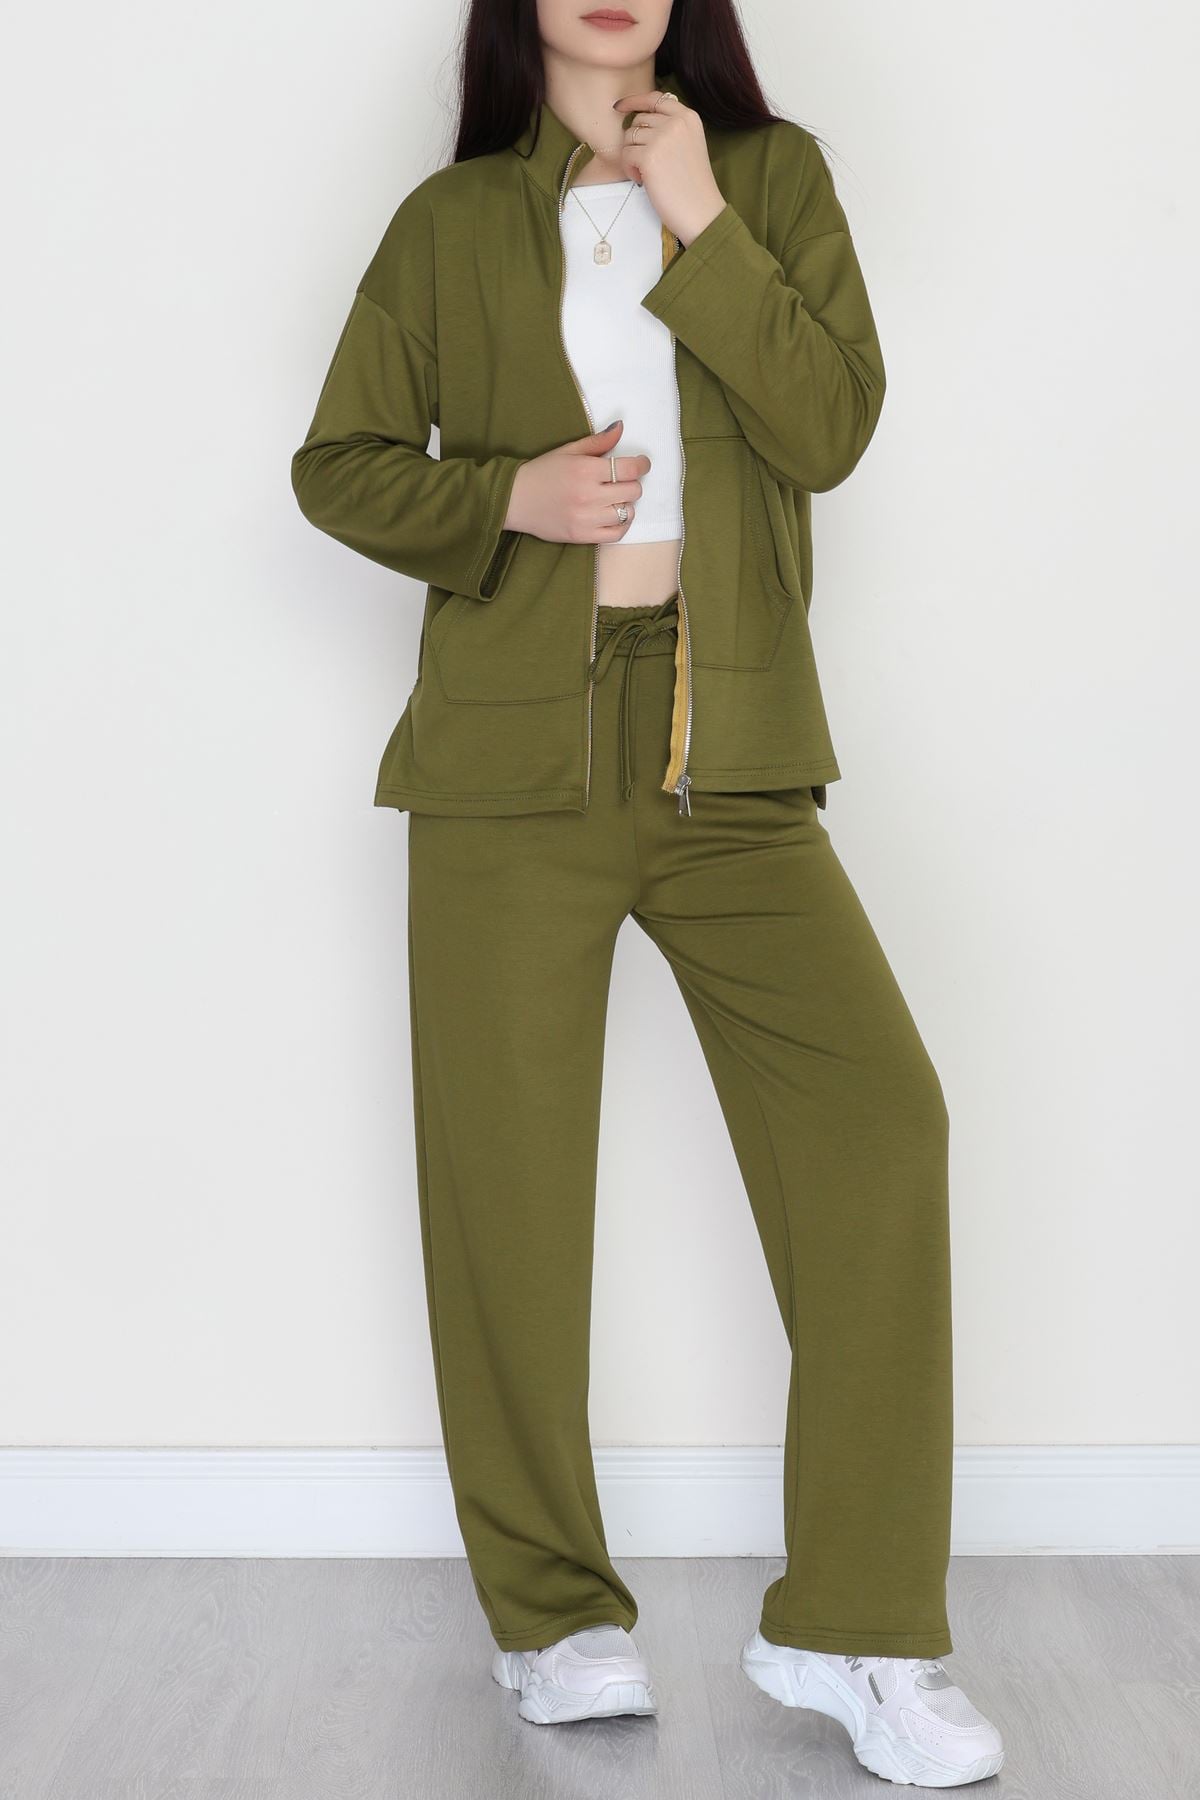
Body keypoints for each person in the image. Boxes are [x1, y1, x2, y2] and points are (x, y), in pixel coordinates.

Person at [291, 0, 1005, 1785]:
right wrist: (506, 499)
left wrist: (700, 218)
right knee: (509, 1206)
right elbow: (339, 464)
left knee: (880, 1125)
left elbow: (830, 426)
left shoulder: (769, 177)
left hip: (731, 751)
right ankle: (553, 1616)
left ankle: (858, 1626)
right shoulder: (450, 220)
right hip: (504, 768)